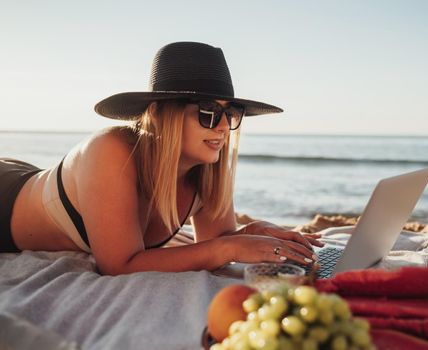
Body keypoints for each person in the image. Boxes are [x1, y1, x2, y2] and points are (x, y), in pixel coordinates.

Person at [0, 41, 323, 275]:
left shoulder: (207, 165)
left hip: (30, 178)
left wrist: (250, 232)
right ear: (157, 115)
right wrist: (229, 247)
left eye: (231, 113)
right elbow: (119, 265)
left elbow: (214, 241)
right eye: (209, 112)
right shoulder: (110, 149)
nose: (224, 126)